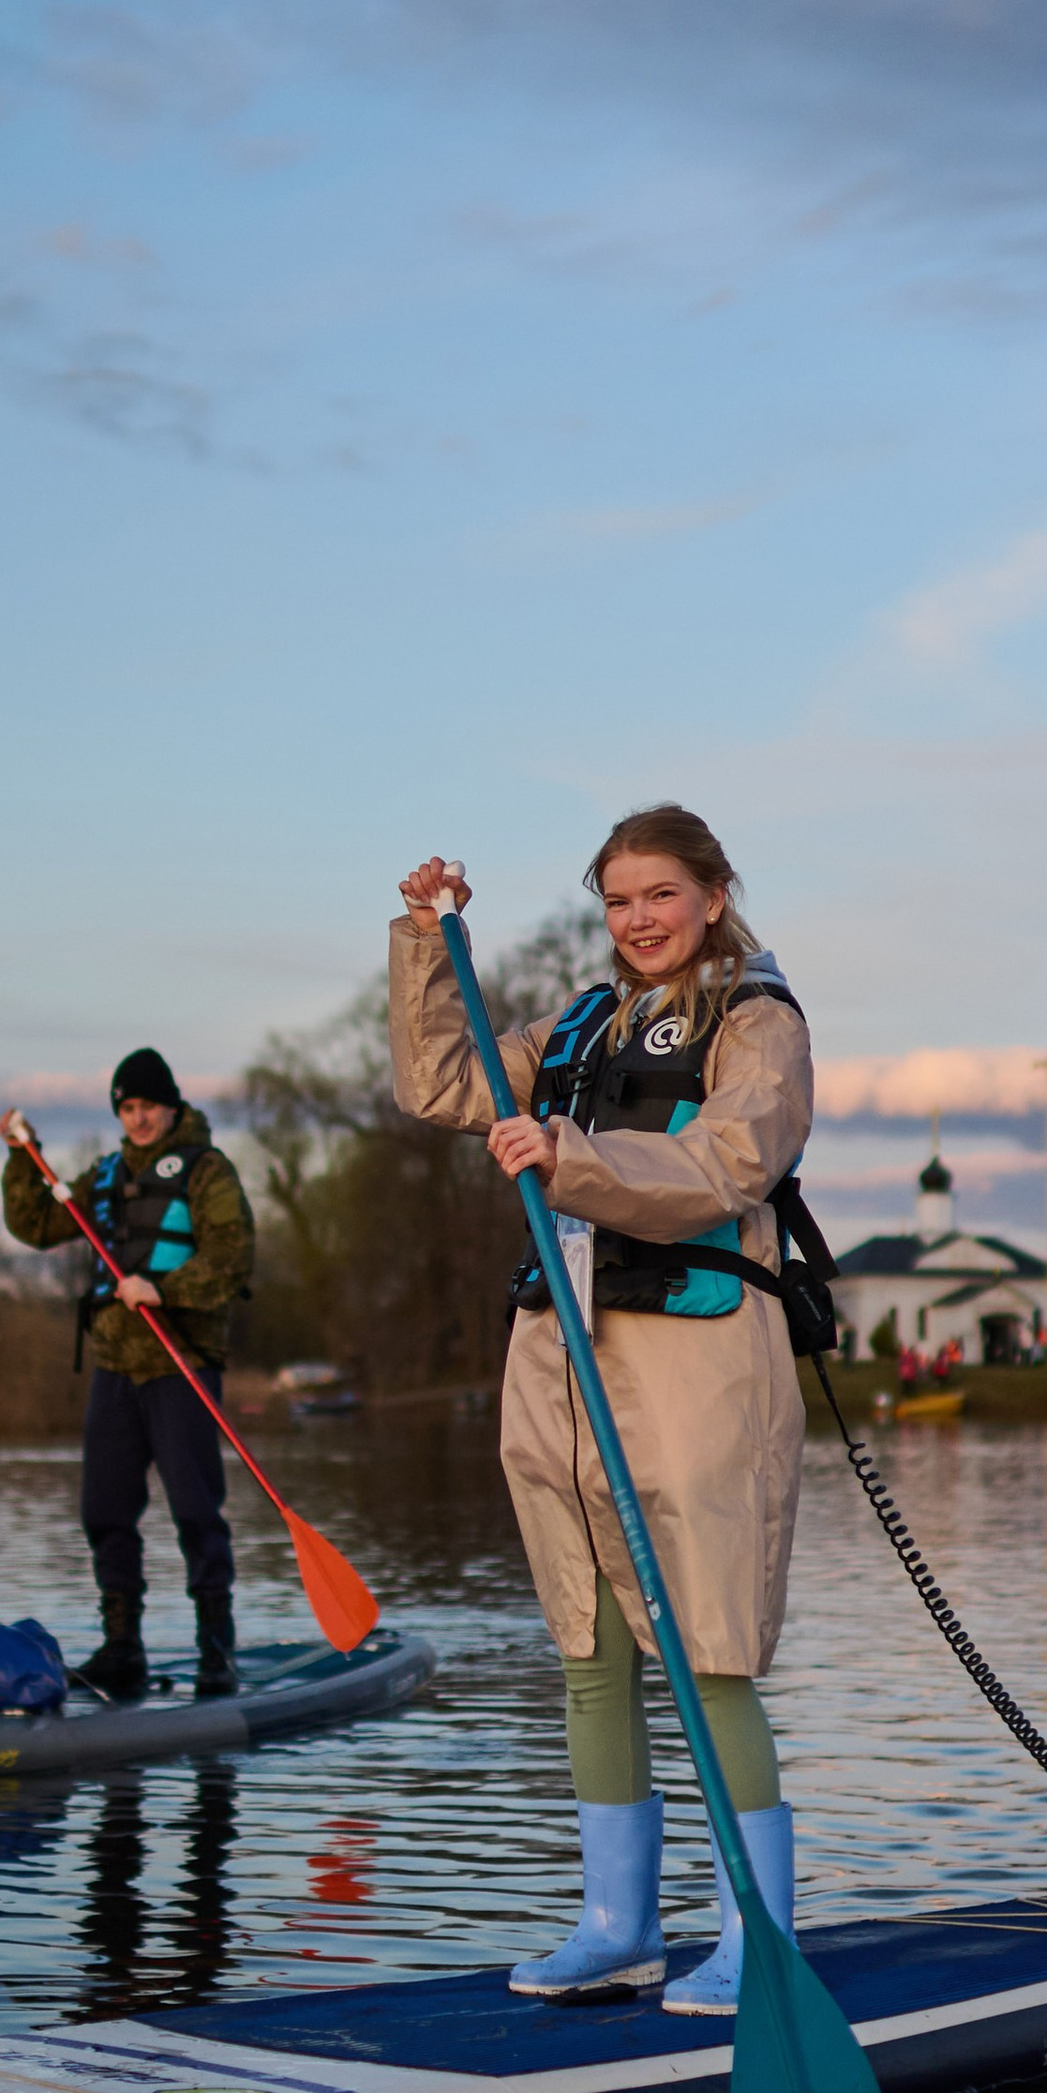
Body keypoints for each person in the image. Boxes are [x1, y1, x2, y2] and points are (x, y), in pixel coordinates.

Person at [391, 812, 812, 2015]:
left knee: (707, 1654)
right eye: (619, 900)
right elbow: (443, 1084)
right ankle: (617, 1929)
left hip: (694, 1366)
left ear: (713, 894)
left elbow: (729, 1164)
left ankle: (759, 1938)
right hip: (563, 1366)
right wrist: (426, 945)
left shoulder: (758, 1023)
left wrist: (566, 1156)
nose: (638, 919)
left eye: (660, 894)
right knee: (590, 1653)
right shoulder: (580, 1023)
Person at [0, 1049, 255, 1699]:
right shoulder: (106, 1175)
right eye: (128, 1108)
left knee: (196, 1510)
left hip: (180, 1364)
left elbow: (232, 1256)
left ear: (171, 1106)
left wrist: (164, 1289)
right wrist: (22, 1157)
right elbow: (35, 1225)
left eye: (149, 1106)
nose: (138, 1119)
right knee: (104, 1511)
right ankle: (122, 1649)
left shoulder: (207, 1170)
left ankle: (216, 1650)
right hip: (115, 1368)